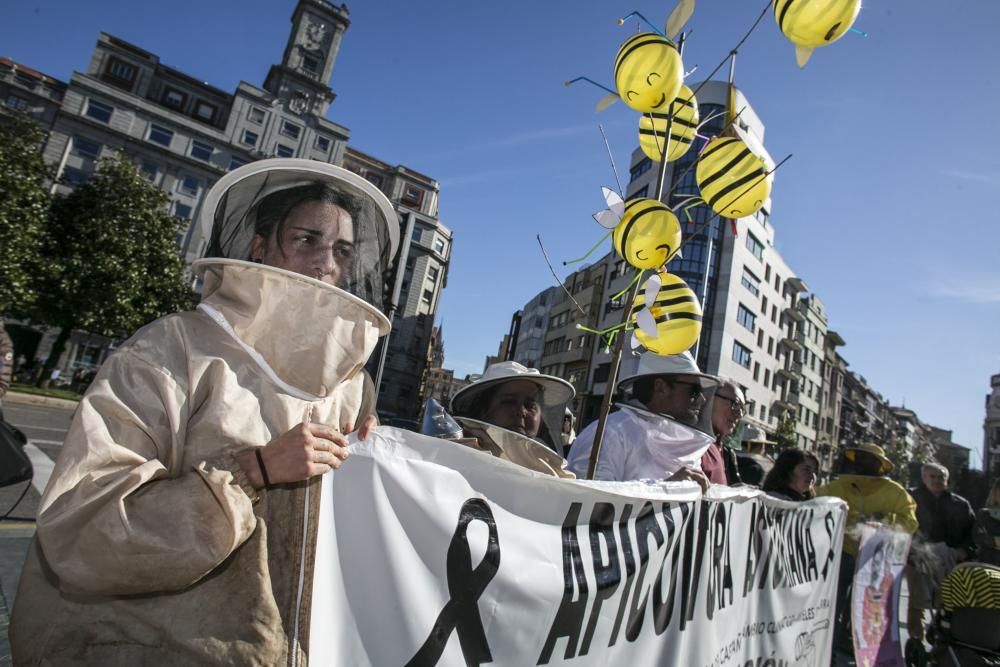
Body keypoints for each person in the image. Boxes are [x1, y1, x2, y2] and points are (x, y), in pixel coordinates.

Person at [10, 159, 398, 665]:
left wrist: (377, 462)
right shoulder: (170, 349)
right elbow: (83, 528)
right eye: (307, 239)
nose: (327, 262)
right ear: (259, 247)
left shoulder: (353, 383)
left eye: (342, 251)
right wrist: (253, 471)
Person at [816, 442, 918, 655]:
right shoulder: (838, 486)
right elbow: (815, 504)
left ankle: (860, 649)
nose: (863, 464)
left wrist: (882, 520)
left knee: (869, 609)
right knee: (833, 605)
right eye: (860, 459)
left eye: (869, 460)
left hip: (875, 558)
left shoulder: (894, 492)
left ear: (879, 465)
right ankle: (829, 650)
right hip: (842, 552)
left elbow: (909, 521)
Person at [566, 351, 720, 489]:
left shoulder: (680, 439)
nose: (701, 399)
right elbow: (592, 503)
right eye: (694, 390)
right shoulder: (610, 433)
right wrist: (665, 490)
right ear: (661, 388)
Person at [906, 463, 977, 646]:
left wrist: (965, 550)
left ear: (947, 480)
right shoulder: (909, 498)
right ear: (924, 478)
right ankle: (916, 642)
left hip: (949, 559)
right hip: (918, 557)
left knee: (947, 603)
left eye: (941, 477)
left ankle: (940, 641)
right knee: (917, 602)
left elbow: (973, 532)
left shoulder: (960, 504)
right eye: (933, 476)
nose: (937, 481)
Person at [450, 360, 575, 453]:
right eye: (509, 401)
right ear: (483, 409)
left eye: (530, 405)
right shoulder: (455, 455)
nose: (521, 412)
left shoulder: (551, 468)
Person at [702, 378, 745, 485]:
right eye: (735, 404)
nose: (739, 414)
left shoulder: (726, 453)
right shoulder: (692, 444)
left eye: (742, 409)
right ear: (710, 398)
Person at [974, 478, 1000, 566]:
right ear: (995, 493)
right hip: (988, 564)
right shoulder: (985, 514)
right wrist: (994, 541)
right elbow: (977, 537)